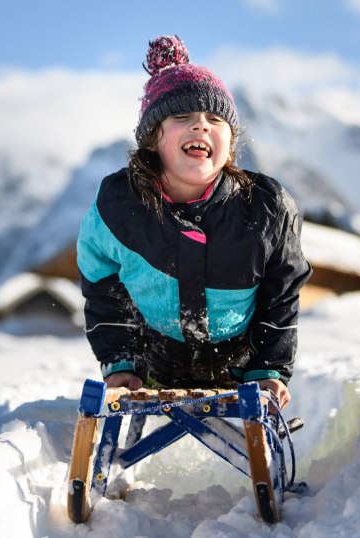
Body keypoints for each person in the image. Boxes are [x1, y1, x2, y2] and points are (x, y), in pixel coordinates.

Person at [77, 35, 312, 409]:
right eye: (182, 117)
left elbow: (281, 292)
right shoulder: (119, 206)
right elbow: (102, 282)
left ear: (230, 143)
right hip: (154, 359)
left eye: (215, 119)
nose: (201, 126)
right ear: (153, 139)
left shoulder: (265, 209)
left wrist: (268, 368)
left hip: (238, 362)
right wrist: (119, 359)